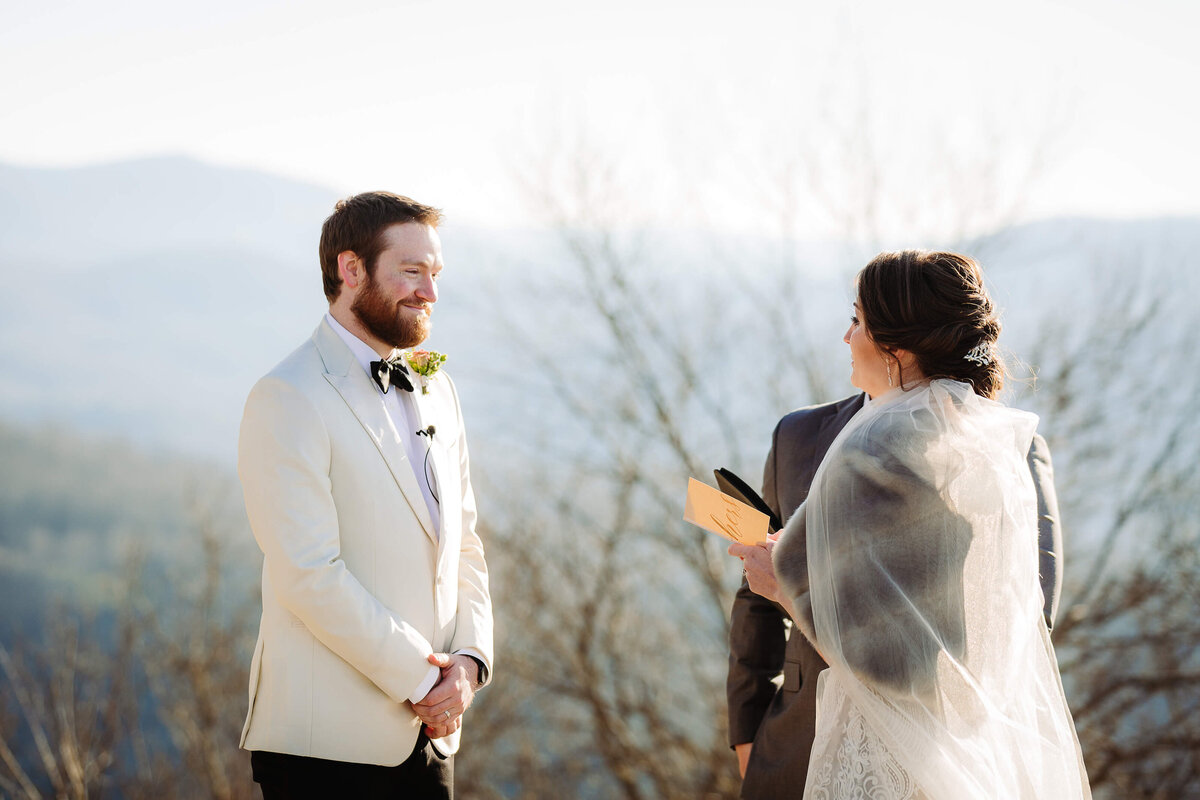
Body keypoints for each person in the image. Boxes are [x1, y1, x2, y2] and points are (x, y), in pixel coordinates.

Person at [731, 250, 1089, 798]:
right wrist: (746, 735)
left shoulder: (990, 452)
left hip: (927, 752)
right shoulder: (807, 436)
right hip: (799, 749)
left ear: (895, 346)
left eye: (857, 321)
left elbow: (1020, 615)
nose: (844, 337)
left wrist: (787, 584)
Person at [236, 192, 493, 799]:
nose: (429, 293)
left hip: (432, 740)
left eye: (434, 275)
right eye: (411, 272)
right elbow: (307, 572)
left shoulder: (439, 388)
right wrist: (421, 681)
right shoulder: (287, 396)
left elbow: (465, 543)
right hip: (323, 749)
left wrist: (471, 662)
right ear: (350, 270)